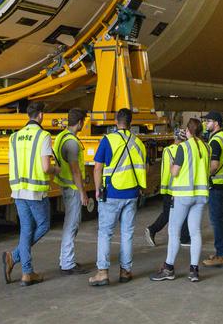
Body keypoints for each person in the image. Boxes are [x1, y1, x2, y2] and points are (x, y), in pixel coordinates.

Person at [89, 108, 147, 286]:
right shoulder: (139, 143)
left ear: (116, 121)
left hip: (112, 193)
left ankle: (103, 273)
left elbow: (97, 168)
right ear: (131, 123)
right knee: (127, 233)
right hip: (132, 193)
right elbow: (143, 167)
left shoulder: (108, 140)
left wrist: (98, 189)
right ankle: (125, 271)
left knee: (105, 233)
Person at [3, 101, 57, 286]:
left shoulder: (14, 137)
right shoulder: (43, 136)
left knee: (26, 229)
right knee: (43, 225)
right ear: (41, 115)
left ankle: (27, 272)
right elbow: (45, 167)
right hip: (35, 192)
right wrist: (56, 170)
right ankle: (15, 256)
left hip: (18, 190)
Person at [151, 118, 210, 282]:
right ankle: (194, 270)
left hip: (183, 196)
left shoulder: (182, 148)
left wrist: (171, 164)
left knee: (174, 231)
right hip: (200, 196)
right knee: (195, 231)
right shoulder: (206, 147)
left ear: (188, 131)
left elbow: (175, 172)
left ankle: (168, 268)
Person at [53, 107, 89, 275]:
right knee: (71, 225)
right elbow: (76, 171)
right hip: (73, 188)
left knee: (70, 223)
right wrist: (83, 192)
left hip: (65, 185)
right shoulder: (72, 143)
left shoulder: (61, 136)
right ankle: (67, 263)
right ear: (80, 122)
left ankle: (66, 260)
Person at [201, 111, 223, 267]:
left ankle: (221, 254)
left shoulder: (215, 140)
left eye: (208, 121)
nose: (206, 124)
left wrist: (202, 174)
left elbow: (214, 166)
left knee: (216, 220)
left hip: (217, 184)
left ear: (216, 123)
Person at [146, 128, 191, 247]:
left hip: (167, 187)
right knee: (183, 211)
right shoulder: (182, 150)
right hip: (176, 187)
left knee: (168, 213)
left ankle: (154, 230)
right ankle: (184, 238)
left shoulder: (167, 150)